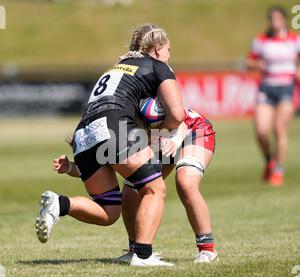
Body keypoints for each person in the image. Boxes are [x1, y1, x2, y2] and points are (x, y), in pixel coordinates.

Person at [35, 23, 185, 267]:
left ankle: (60, 203)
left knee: (108, 210)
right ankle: (143, 255)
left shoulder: (115, 68)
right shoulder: (159, 66)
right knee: (154, 188)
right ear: (157, 49)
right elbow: (177, 114)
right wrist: (163, 134)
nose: (170, 55)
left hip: (83, 133)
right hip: (114, 126)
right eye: (168, 49)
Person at [54, 105, 218, 264]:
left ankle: (207, 249)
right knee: (130, 193)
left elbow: (180, 121)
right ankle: (136, 250)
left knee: (185, 183)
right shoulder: (113, 130)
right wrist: (70, 167)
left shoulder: (139, 109)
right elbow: (99, 169)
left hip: (193, 131)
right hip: (159, 141)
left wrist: (174, 142)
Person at [247, 6, 300, 186]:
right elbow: (249, 61)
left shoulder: (295, 39)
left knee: (279, 128)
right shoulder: (261, 40)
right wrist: (256, 64)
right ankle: (269, 160)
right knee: (262, 131)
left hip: (287, 87)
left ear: (284, 20)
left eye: (278, 18)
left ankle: (278, 170)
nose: (274, 21)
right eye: (272, 18)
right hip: (266, 88)